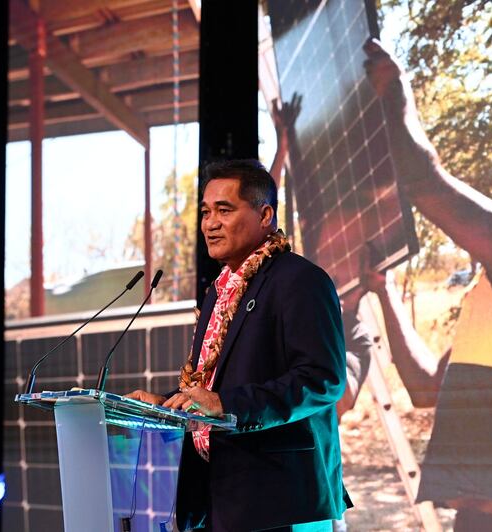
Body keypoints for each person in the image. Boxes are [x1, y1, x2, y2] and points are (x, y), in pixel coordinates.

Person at [361, 39, 492, 531]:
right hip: (481, 521)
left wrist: (396, 90)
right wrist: (384, 290)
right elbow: (425, 387)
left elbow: (425, 183)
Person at [128, 159, 352, 531]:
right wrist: (168, 404)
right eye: (205, 212)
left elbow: (322, 379)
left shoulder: (300, 280)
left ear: (265, 215)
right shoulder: (218, 291)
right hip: (223, 497)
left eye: (224, 210)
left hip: (283, 501)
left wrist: (225, 404)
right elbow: (219, 381)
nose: (210, 223)